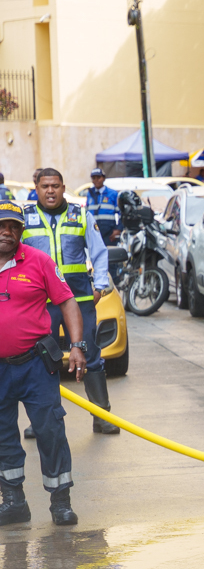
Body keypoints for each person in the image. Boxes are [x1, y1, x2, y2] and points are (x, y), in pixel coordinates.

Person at [0, 199, 87, 525]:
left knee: (50, 430)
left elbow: (67, 302)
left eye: (13, 227)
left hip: (36, 364)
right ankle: (13, 502)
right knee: (2, 435)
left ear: (21, 231)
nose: (6, 232)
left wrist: (77, 346)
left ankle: (60, 502)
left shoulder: (38, 261)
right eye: (1, 226)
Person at [23, 168, 119, 435]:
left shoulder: (81, 215)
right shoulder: (25, 219)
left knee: (90, 355)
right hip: (41, 303)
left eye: (55, 186)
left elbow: (99, 253)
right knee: (41, 358)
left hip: (79, 299)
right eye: (45, 186)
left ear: (63, 187)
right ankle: (40, 421)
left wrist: (99, 285)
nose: (50, 191)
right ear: (37, 188)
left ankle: (102, 417)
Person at [84, 169, 121, 245]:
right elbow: (86, 213)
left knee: (110, 254)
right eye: (94, 178)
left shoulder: (112, 194)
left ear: (104, 178)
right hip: (93, 232)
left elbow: (121, 213)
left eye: (98, 177)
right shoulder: (90, 194)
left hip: (109, 233)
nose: (96, 180)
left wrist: (118, 229)